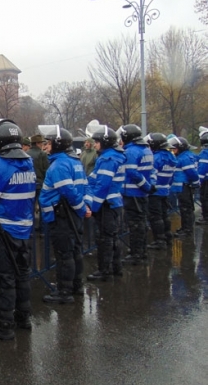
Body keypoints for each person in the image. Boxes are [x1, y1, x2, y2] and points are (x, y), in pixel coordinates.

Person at [0, 120, 36, 339]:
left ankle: (4, 325)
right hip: (24, 229)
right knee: (22, 275)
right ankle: (24, 317)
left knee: (4, 279)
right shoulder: (28, 162)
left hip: (2, 232)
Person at [39, 125, 90, 303]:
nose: (45, 146)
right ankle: (76, 286)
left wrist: (83, 209)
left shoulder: (59, 164)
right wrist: (85, 207)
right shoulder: (74, 161)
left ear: (57, 144)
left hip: (62, 217)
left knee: (64, 254)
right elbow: (85, 186)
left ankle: (64, 292)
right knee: (74, 251)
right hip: (70, 215)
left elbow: (68, 191)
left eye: (48, 142)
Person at [84, 125, 126, 281]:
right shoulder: (112, 156)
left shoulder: (108, 158)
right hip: (113, 203)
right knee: (112, 237)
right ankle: (116, 267)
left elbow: (102, 186)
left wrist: (92, 207)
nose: (94, 144)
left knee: (105, 238)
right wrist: (85, 183)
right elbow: (94, 178)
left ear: (105, 142)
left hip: (107, 204)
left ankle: (105, 271)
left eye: (97, 141)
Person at [117, 124, 155, 264]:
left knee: (135, 224)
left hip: (133, 192)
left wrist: (145, 186)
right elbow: (151, 172)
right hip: (141, 193)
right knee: (141, 222)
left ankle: (136, 254)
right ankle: (141, 250)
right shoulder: (146, 150)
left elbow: (132, 172)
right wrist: (148, 187)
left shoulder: (131, 151)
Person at [145, 133, 177, 248]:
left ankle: (159, 240)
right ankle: (168, 237)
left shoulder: (156, 157)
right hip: (165, 190)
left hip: (155, 192)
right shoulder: (171, 156)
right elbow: (172, 176)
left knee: (155, 216)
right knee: (164, 215)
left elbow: (151, 174)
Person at [169, 136, 200, 238]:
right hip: (182, 187)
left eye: (175, 149)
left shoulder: (184, 158)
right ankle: (185, 227)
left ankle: (187, 230)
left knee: (186, 208)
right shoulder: (185, 156)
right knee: (184, 208)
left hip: (184, 187)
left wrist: (195, 182)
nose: (173, 151)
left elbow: (192, 173)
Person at [197, 128, 208, 225]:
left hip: (206, 180)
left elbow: (203, 169)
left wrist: (198, 181)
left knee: (205, 198)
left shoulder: (205, 152)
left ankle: (206, 217)